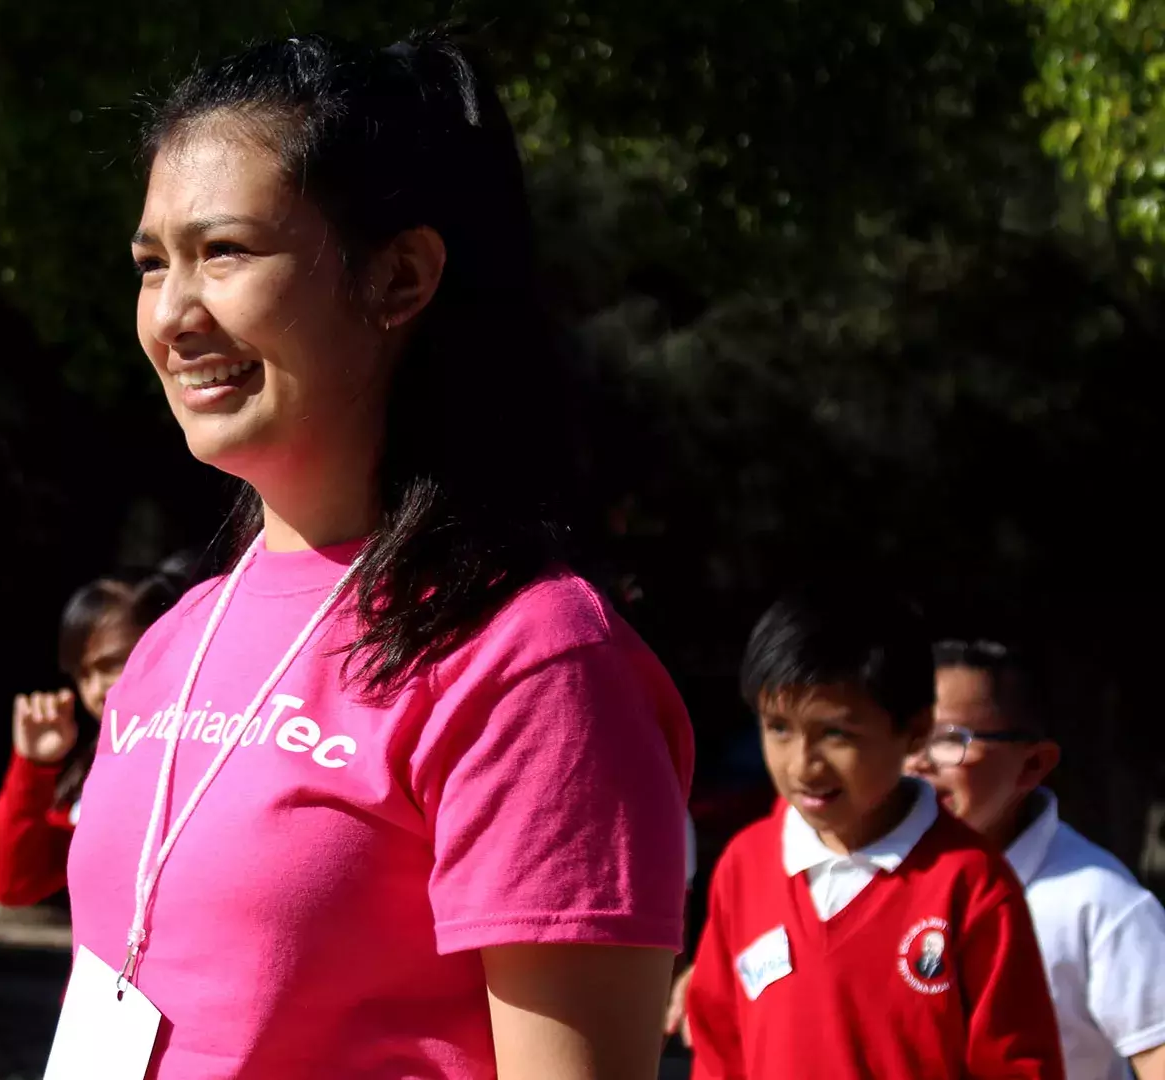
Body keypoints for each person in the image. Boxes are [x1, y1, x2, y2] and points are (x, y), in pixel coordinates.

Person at [60, 31, 694, 1080]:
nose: (173, 314)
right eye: (150, 264)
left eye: (223, 252)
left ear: (400, 275)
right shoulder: (170, 643)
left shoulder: (531, 660)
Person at [684, 589, 1064, 1079]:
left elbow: (1020, 1067)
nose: (803, 764)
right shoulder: (745, 863)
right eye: (779, 728)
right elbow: (718, 1051)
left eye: (837, 734)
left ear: (914, 731)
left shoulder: (971, 883)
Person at [908, 639, 1165, 1080]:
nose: (915, 763)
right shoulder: (859, 876)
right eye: (904, 737)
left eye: (947, 740)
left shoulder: (1099, 902)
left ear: (1032, 764)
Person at [0, 567, 185, 907]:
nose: (95, 689)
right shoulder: (96, 770)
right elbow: (15, 885)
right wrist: (34, 767)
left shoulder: (212, 758)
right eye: (84, 673)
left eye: (112, 663)